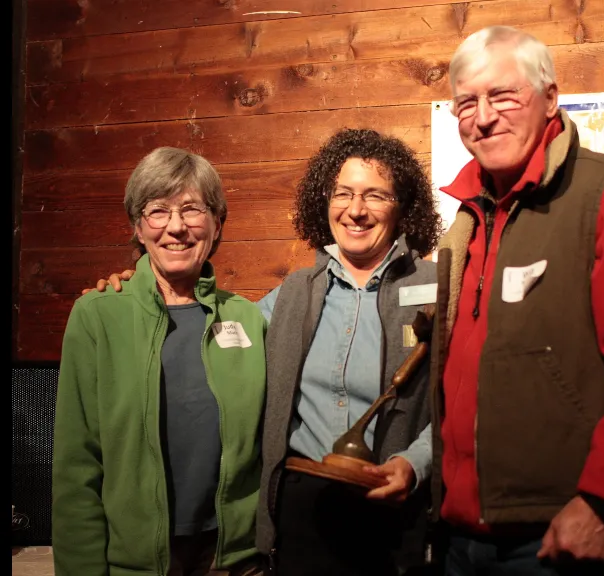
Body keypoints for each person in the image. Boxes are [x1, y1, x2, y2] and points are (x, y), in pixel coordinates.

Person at [85, 128, 444, 576]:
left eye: (375, 195)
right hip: (302, 514)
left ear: (403, 205)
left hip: (396, 511)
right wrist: (132, 288)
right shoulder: (291, 295)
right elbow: (209, 321)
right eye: (343, 193)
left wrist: (415, 464)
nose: (356, 209)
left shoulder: (436, 287)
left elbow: (462, 404)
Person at [429, 26, 604, 575]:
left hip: (566, 539)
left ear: (550, 98)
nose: (483, 117)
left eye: (503, 96)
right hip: (462, 540)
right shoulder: (469, 221)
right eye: (466, 103)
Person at [53, 147, 267, 576]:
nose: (176, 226)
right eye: (157, 211)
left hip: (232, 560)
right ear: (138, 226)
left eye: (192, 209)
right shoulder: (98, 316)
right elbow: (77, 467)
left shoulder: (248, 318)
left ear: (217, 223)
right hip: (136, 563)